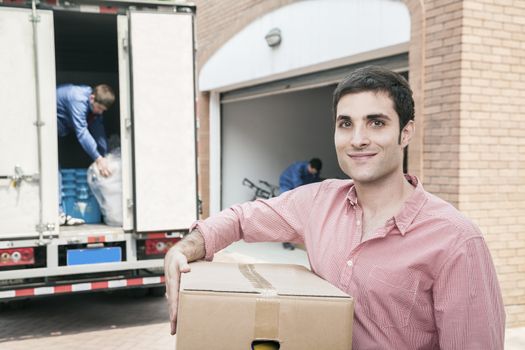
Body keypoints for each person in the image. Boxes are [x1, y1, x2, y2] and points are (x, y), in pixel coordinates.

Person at [165, 66, 505, 348]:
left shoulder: (456, 240)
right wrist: (185, 247)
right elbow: (240, 219)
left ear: (405, 133)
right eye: (346, 124)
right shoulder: (317, 202)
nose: (358, 139)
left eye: (376, 122)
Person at [57, 84, 115, 225]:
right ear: (92, 98)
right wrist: (98, 158)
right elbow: (81, 132)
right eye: (99, 108)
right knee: (53, 168)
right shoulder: (77, 99)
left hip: (61, 129)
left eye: (103, 110)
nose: (100, 112)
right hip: (45, 126)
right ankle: (57, 214)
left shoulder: (94, 107)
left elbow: (98, 129)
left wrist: (106, 155)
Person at [279, 158, 322, 249]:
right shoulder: (298, 167)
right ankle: (285, 240)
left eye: (314, 172)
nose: (313, 173)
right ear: (309, 165)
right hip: (287, 184)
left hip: (299, 189)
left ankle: (291, 239)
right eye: (312, 171)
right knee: (288, 211)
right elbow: (297, 185)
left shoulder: (315, 172)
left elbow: (314, 183)